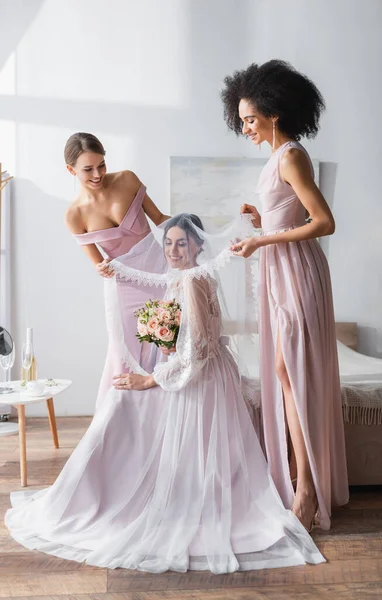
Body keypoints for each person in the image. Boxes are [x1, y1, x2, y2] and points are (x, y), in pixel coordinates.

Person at [5, 214, 324, 574]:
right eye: (168, 243)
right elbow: (190, 341)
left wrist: (151, 380)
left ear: (198, 246)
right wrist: (166, 343)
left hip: (202, 380)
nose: (173, 250)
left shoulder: (190, 281)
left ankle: (135, 496)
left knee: (147, 418)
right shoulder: (188, 276)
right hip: (205, 372)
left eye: (182, 243)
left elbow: (198, 350)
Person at [221, 59, 349, 531]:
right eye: (241, 120)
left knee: (292, 370)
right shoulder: (277, 159)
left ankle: (307, 490)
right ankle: (303, 480)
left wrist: (263, 240)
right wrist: (262, 221)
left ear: (274, 114)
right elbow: (290, 214)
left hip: (296, 270)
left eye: (250, 119)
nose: (245, 127)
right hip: (280, 269)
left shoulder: (291, 154)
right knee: (283, 371)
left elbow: (324, 222)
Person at [64, 132, 170, 406]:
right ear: (70, 170)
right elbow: (97, 262)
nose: (98, 174)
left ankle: (166, 420)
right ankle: (124, 423)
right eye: (88, 169)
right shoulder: (74, 214)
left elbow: (160, 219)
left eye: (101, 165)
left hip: (161, 274)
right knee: (126, 352)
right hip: (123, 287)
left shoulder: (127, 180)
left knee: (168, 344)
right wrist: (100, 268)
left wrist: (200, 232)